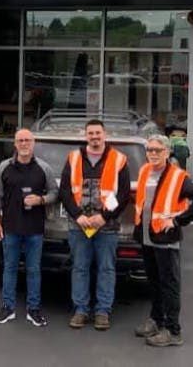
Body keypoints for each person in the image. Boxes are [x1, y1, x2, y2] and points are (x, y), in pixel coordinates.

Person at [133, 134, 193, 347]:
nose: (153, 154)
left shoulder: (177, 177)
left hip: (166, 239)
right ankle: (156, 320)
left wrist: (178, 221)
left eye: (158, 150)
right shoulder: (145, 170)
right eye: (150, 150)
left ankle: (173, 331)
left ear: (167, 152)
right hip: (148, 236)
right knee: (154, 283)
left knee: (169, 285)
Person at [59, 119, 130, 330]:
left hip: (107, 226)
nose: (94, 137)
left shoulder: (119, 159)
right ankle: (80, 310)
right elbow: (65, 191)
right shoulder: (73, 158)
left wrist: (104, 216)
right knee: (79, 268)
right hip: (79, 225)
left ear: (104, 134)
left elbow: (124, 194)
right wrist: (78, 215)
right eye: (90, 133)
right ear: (85, 135)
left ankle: (102, 312)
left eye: (98, 133)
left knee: (106, 268)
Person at [0, 128, 58, 326]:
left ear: (33, 143)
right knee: (9, 268)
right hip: (10, 227)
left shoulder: (43, 168)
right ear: (14, 144)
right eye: (20, 140)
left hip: (35, 229)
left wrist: (41, 199)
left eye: (27, 140)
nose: (24, 144)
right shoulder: (5, 167)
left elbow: (55, 193)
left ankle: (34, 309)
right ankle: (8, 307)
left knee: (33, 270)